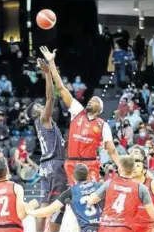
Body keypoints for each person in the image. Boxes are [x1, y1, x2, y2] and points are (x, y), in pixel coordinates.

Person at [39, 46, 120, 186]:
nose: (90, 101)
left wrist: (123, 167)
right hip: (72, 163)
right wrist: (52, 62)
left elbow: (111, 150)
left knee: (92, 198)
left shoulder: (103, 125)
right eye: (90, 100)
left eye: (94, 101)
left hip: (91, 164)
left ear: (100, 109)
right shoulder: (78, 111)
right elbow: (61, 87)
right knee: (77, 199)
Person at [26, 59, 67, 232]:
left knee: (44, 204)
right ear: (37, 112)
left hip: (44, 165)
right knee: (60, 203)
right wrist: (48, 74)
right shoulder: (43, 119)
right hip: (54, 164)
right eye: (40, 106)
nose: (44, 106)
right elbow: (51, 97)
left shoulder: (42, 124)